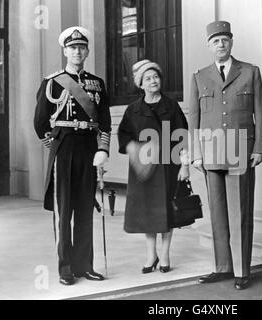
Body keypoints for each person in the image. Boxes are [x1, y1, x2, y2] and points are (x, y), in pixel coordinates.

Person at [189, 21, 262, 290]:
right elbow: (194, 120)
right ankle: (222, 267)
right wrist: (196, 154)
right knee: (218, 213)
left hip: (240, 149)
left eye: (224, 40)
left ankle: (241, 270)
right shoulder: (199, 76)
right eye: (215, 41)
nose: (220, 45)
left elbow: (260, 112)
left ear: (231, 42)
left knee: (240, 212)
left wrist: (259, 147)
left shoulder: (250, 72)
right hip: (211, 150)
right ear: (209, 45)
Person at [34, 26, 111, 286]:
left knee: (85, 210)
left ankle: (85, 266)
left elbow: (106, 123)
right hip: (64, 149)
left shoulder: (97, 83)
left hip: (89, 149)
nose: (77, 51)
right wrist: (54, 147)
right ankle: (65, 268)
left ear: (87, 51)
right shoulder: (52, 81)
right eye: (72, 47)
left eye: (81, 47)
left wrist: (103, 150)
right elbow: (40, 122)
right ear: (65, 51)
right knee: (64, 210)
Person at [118, 59, 189, 274]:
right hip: (145, 169)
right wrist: (135, 150)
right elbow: (124, 135)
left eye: (156, 77)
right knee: (148, 213)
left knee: (167, 212)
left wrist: (185, 166)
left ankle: (165, 254)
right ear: (140, 84)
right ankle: (151, 255)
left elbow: (183, 136)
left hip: (169, 166)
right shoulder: (133, 109)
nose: (153, 81)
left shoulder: (172, 106)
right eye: (147, 78)